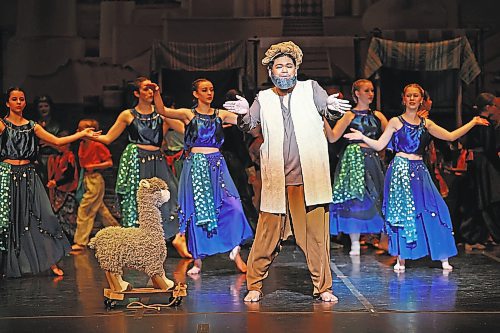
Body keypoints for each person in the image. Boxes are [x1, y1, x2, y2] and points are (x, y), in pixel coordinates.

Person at [224, 41, 351, 302]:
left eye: (288, 66)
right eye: (278, 66)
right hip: (277, 182)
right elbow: (249, 124)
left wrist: (333, 110)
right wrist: (243, 114)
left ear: (296, 69)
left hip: (308, 181)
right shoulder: (264, 98)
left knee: (316, 238)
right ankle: (255, 285)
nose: (284, 71)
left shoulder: (310, 89)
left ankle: (323, 287)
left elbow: (326, 107)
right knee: (266, 237)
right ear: (271, 71)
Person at [344, 83, 489, 272]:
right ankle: (401, 258)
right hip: (400, 172)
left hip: (420, 171)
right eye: (409, 96)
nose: (412, 99)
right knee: (403, 214)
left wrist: (473, 122)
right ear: (404, 99)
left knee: (437, 209)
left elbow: (451, 136)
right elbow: (380, 145)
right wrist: (362, 137)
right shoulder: (395, 122)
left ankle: (442, 256)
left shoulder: (426, 124)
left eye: (416, 96)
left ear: (421, 100)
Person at [150, 78, 254, 275]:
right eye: (204, 90)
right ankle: (197, 261)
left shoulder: (220, 114)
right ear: (196, 94)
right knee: (197, 212)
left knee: (233, 207)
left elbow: (244, 124)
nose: (209, 93)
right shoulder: (188, 114)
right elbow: (163, 111)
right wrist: (156, 93)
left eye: (211, 90)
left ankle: (235, 250)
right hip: (196, 166)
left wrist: (246, 111)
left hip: (217, 165)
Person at [0, 87, 99, 277]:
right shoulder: (3, 125)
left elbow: (57, 141)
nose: (19, 102)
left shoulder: (32, 126)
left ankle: (51, 261)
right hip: (7, 175)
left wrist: (81, 134)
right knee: (8, 220)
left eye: (21, 99)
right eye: (14, 99)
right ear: (8, 103)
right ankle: (9, 264)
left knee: (44, 215)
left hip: (28, 175)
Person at [93, 77, 191, 258]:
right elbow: (108, 139)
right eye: (146, 88)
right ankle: (137, 246)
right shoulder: (127, 115)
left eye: (152, 89)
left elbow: (187, 132)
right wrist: (86, 135)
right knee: (137, 203)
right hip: (136, 159)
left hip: (157, 160)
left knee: (174, 197)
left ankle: (178, 237)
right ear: (137, 93)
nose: (150, 92)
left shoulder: (161, 113)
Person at [324, 79, 388, 256]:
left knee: (378, 197)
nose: (370, 94)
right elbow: (333, 138)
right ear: (357, 94)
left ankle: (382, 238)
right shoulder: (349, 116)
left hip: (372, 159)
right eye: (366, 90)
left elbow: (392, 135)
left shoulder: (378, 116)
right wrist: (321, 118)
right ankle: (354, 242)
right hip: (353, 160)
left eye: (372, 91)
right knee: (354, 200)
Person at [71, 119, 120, 251]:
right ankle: (119, 234)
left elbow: (109, 162)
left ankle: (80, 242)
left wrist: (94, 166)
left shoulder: (97, 145)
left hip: (95, 179)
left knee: (84, 209)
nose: (77, 132)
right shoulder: (82, 144)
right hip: (86, 178)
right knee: (101, 210)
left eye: (80, 130)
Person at [460, 93, 500, 249]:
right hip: (484, 164)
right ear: (488, 107)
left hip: (476, 163)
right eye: (495, 106)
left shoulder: (473, 122)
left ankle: (479, 235)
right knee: (485, 198)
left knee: (477, 198)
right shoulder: (485, 124)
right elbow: (490, 148)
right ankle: (478, 235)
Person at [46, 130, 79, 241]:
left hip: (68, 191)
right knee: (58, 216)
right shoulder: (54, 158)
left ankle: (70, 238)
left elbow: (69, 175)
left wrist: (56, 183)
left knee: (68, 216)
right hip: (58, 191)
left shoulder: (70, 157)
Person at [34, 95, 61, 186]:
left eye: (46, 106)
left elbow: (64, 146)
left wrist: (49, 143)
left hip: (53, 159)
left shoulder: (58, 125)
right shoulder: (32, 125)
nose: (43, 109)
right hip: (37, 159)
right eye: (40, 107)